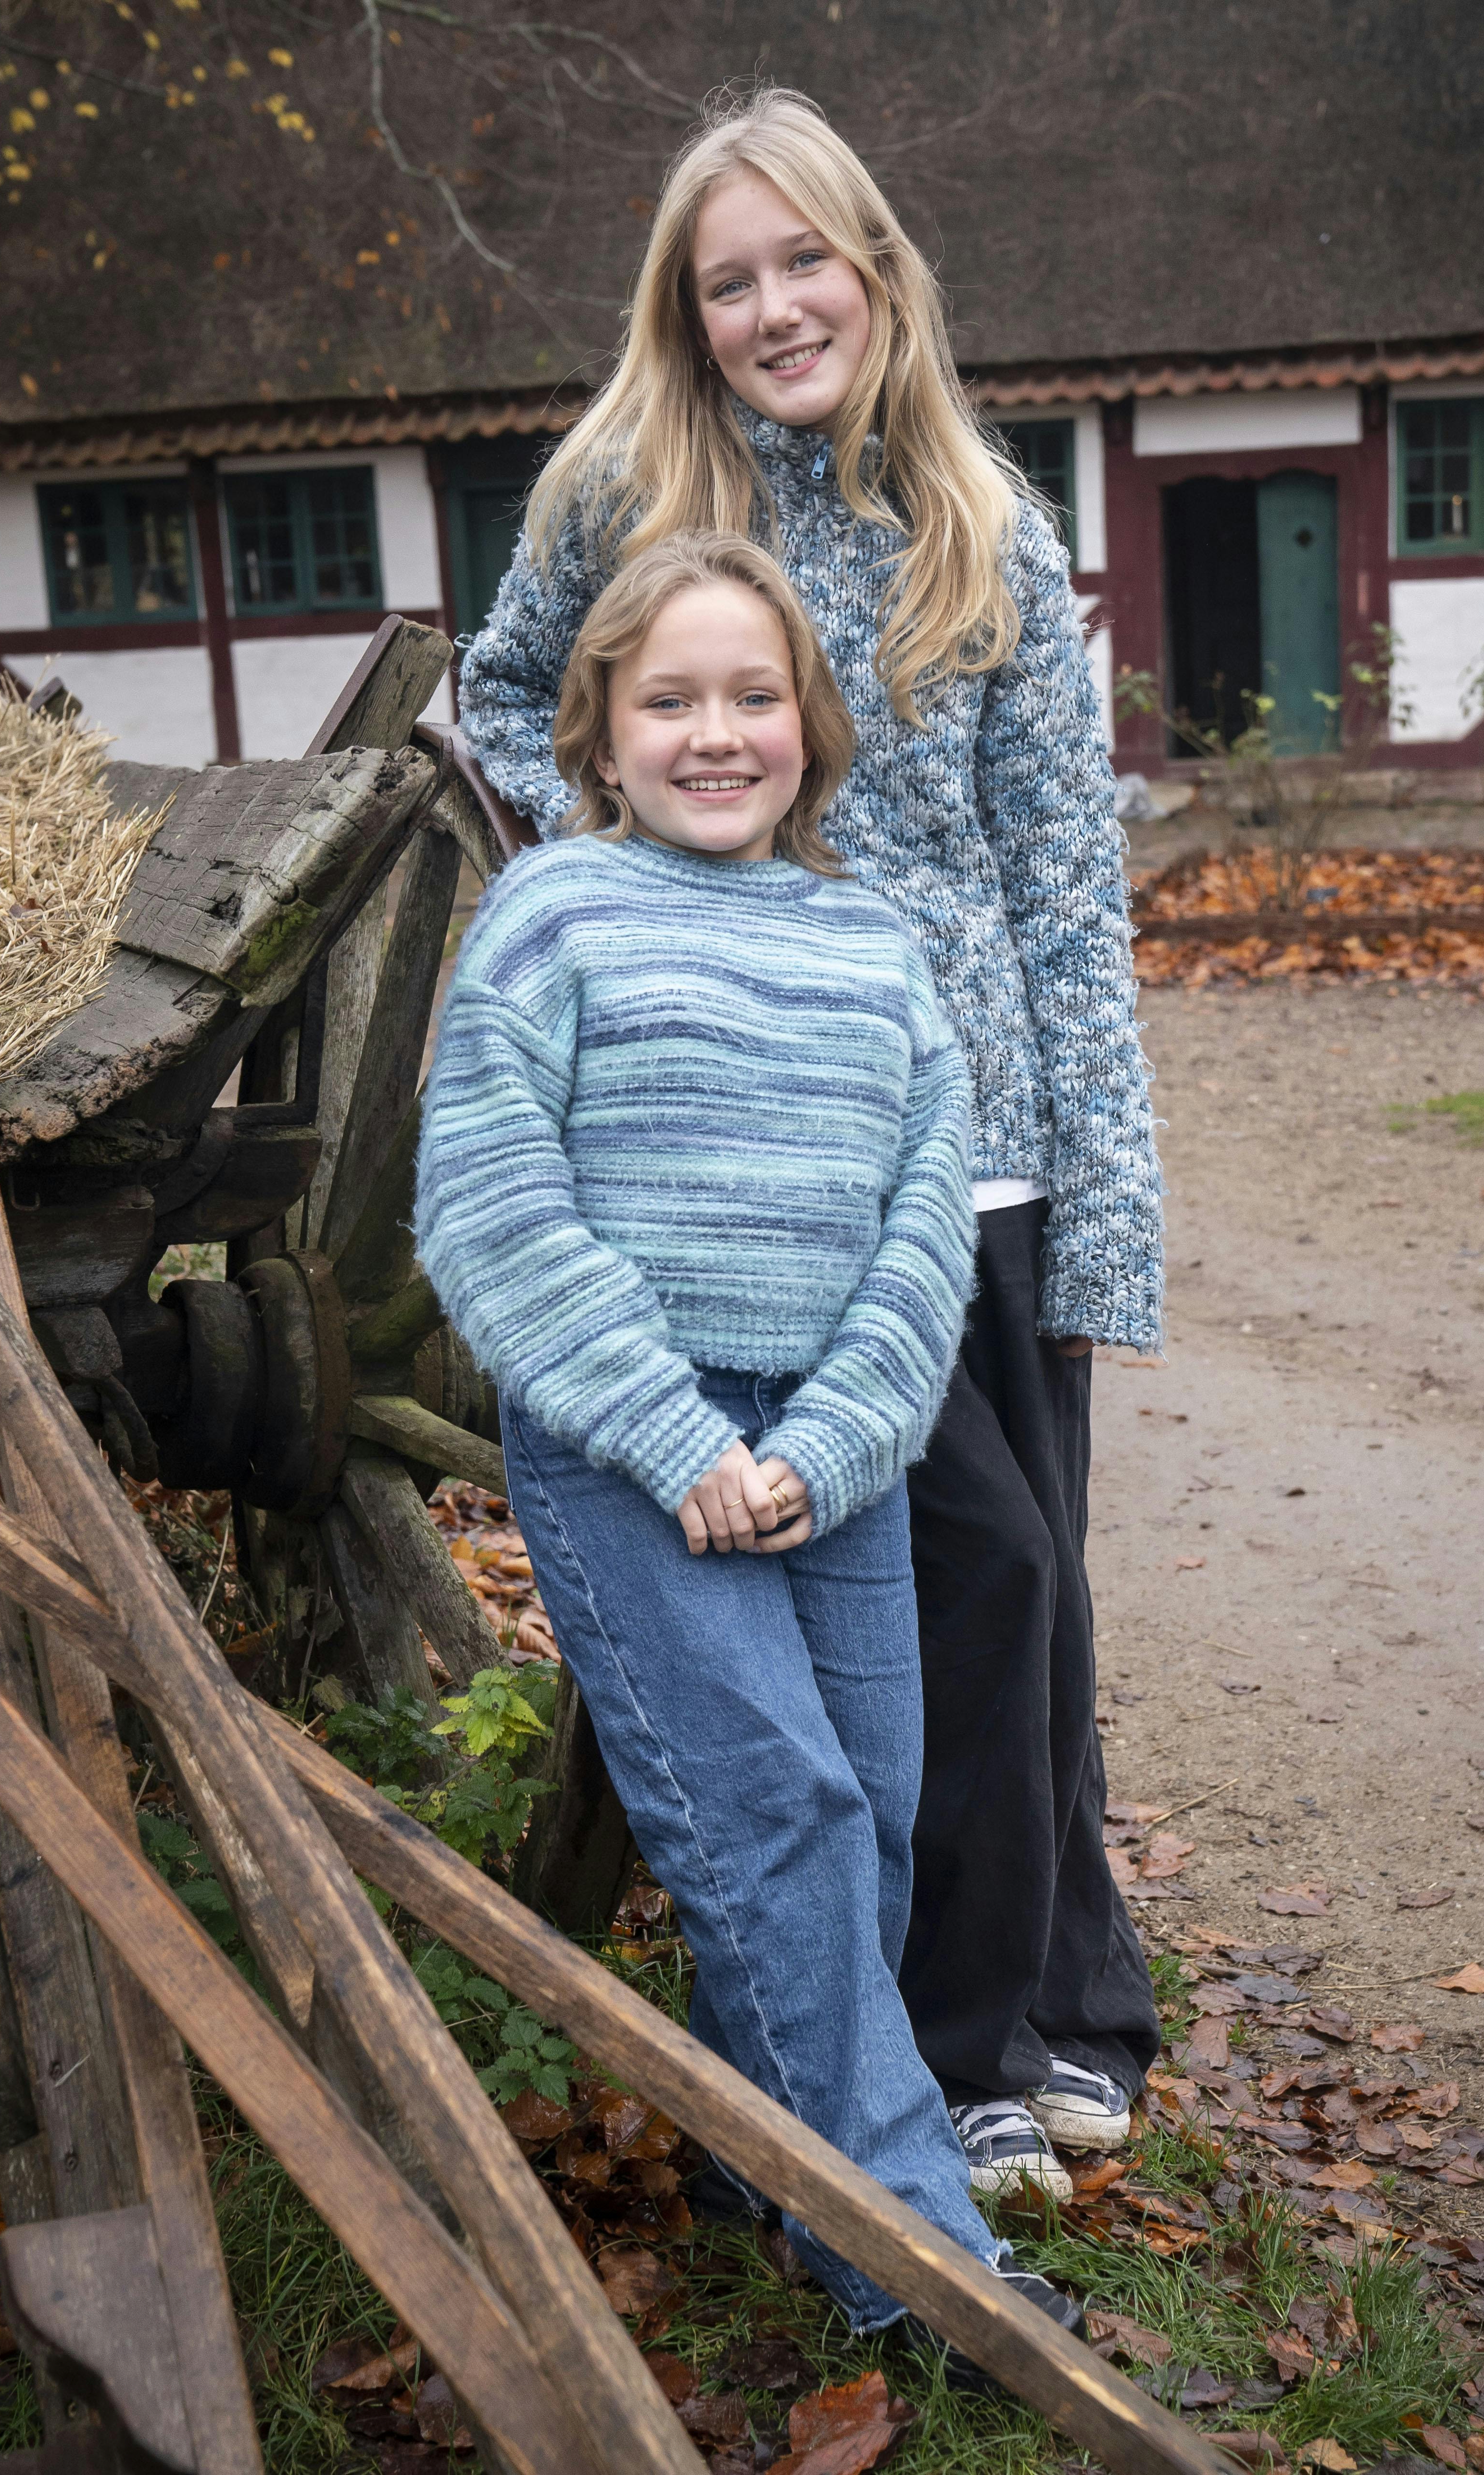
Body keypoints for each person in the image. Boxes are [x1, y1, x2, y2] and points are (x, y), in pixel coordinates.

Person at [459, 88, 1165, 2201]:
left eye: (805, 263)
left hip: (997, 1144)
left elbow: (1067, 889)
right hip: (768, 1146)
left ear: (876, 269)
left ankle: (1067, 2006)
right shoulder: (623, 490)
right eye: (726, 279)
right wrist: (666, 890)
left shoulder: (983, 518)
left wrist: (1111, 1212)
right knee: (976, 1582)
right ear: (686, 313)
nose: (775, 309)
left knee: (1039, 1603)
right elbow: (512, 700)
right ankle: (940, 2051)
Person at [417, 531, 1083, 2350]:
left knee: (861, 1821)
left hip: (830, 1451)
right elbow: (488, 1199)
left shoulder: (873, 943)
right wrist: (666, 1430)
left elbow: (920, 1218)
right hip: (631, 1441)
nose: (716, 734)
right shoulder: (555, 914)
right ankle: (918, 2263)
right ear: (599, 731)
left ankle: (746, 2149)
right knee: (771, 1810)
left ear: (810, 722)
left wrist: (845, 1435)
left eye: (753, 696)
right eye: (669, 702)